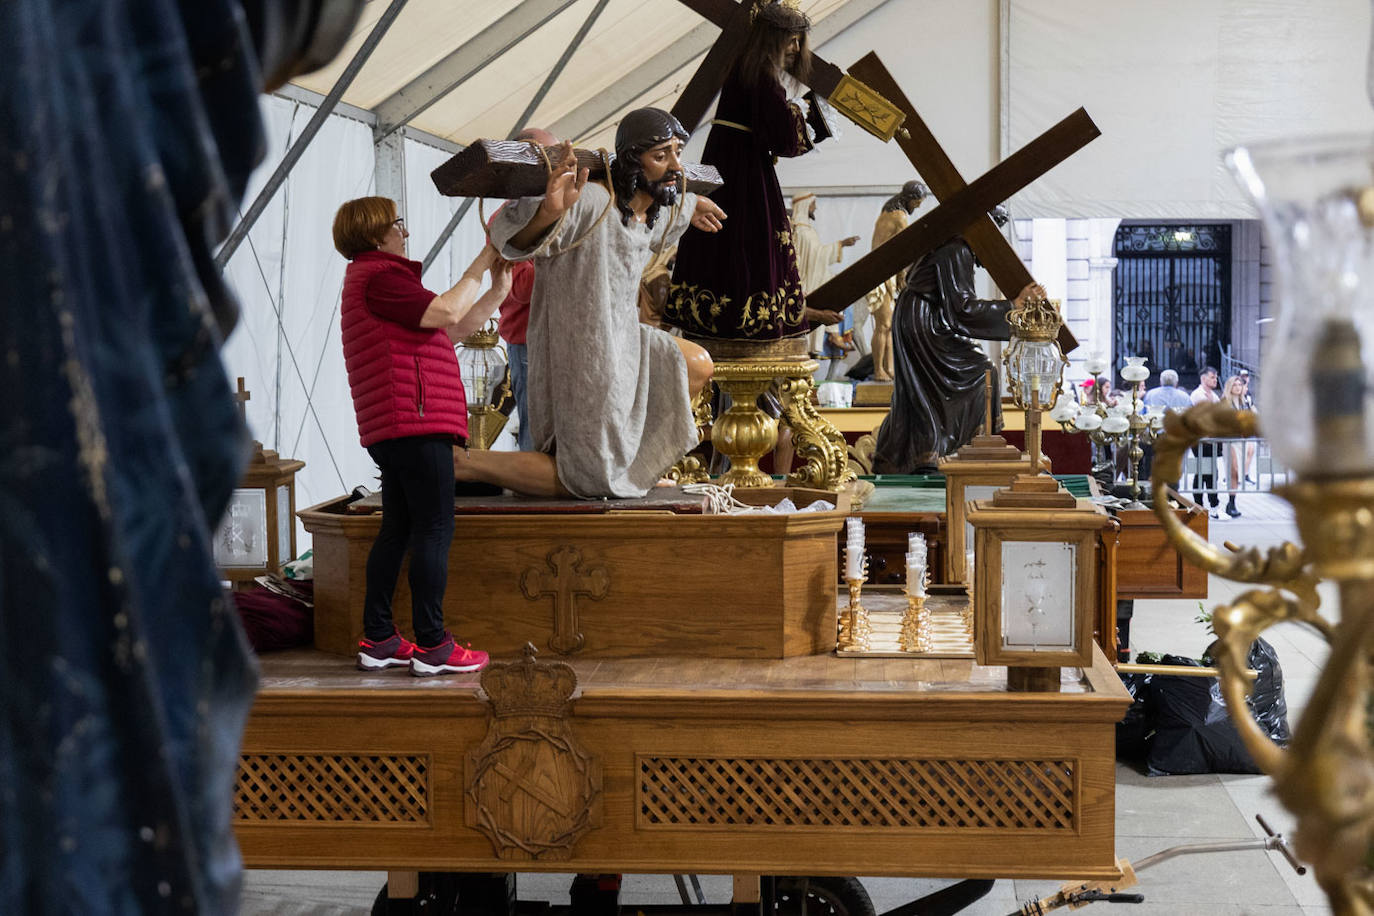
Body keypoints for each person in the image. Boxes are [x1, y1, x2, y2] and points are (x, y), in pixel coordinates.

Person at [470, 110, 726, 498]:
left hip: (625, 340)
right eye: (661, 156)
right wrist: (548, 213)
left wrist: (693, 206)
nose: (676, 165)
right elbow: (516, 241)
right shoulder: (592, 200)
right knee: (589, 475)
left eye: (677, 152)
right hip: (581, 350)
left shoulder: (653, 207)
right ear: (632, 160)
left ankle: (634, 462)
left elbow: (675, 207)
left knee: (697, 365)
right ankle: (458, 462)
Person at [334, 197, 512, 675]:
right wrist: (483, 256)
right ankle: (434, 645)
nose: (405, 233)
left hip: (396, 427)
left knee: (399, 529)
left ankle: (380, 638)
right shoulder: (381, 278)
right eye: (398, 224)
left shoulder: (374, 282)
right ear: (376, 235)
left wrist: (498, 290)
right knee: (434, 528)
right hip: (415, 423)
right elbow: (447, 313)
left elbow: (450, 331)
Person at [665, 0, 830, 341]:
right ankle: (744, 320)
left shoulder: (747, 68)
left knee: (730, 240)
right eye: (791, 38)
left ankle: (720, 315)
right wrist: (812, 114)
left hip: (730, 161)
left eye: (799, 40)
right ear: (772, 37)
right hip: (744, 171)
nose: (796, 48)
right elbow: (783, 137)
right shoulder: (761, 74)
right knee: (748, 239)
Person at [872, 207, 1044, 473]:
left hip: (923, 318)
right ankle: (955, 447)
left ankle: (935, 446)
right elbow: (962, 309)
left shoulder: (954, 245)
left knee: (930, 388)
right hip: (924, 322)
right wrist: (1013, 307)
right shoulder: (957, 248)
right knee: (982, 371)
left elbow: (957, 308)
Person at [498, 127, 558, 451]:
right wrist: (558, 253)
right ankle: (533, 498)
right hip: (527, 341)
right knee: (536, 429)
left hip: (560, 337)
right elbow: (520, 288)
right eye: (545, 160)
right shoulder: (506, 217)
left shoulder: (563, 212)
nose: (554, 168)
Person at [867, 180, 930, 380]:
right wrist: (904, 275)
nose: (918, 206)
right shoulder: (899, 217)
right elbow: (903, 251)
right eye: (918, 202)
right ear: (910, 199)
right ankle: (879, 370)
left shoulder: (890, 210)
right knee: (883, 324)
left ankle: (889, 369)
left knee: (888, 325)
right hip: (880, 273)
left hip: (885, 271)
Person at [790, 193, 859, 355]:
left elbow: (818, 254)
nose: (816, 207)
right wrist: (840, 244)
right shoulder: (800, 231)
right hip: (806, 279)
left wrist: (841, 244)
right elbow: (813, 256)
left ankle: (834, 333)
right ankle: (834, 335)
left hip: (815, 275)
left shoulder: (807, 230)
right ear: (805, 205)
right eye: (813, 204)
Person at [1140, 368, 1193, 483]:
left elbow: (1142, 415)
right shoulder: (1185, 396)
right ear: (1176, 382)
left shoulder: (1151, 394)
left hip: (1154, 437)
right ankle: (1173, 493)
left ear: (1160, 381)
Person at [1190, 365, 1222, 517]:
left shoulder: (1214, 396)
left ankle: (1208, 505)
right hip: (1200, 440)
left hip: (1211, 439)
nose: (1215, 380)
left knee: (1208, 472)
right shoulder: (1198, 395)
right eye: (1212, 377)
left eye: (1216, 377)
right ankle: (1206, 504)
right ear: (1203, 378)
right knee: (1205, 471)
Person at [1221, 373, 1253, 518]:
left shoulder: (1245, 402)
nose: (1238, 387)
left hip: (1242, 441)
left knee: (1238, 471)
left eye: (1240, 385)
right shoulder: (1225, 402)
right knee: (1233, 469)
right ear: (1230, 386)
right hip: (1230, 441)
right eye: (1235, 385)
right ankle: (1231, 502)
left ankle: (1232, 501)